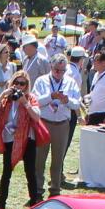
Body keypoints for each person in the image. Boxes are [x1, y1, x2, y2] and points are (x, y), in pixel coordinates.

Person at [0, 72, 42, 209]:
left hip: (27, 139)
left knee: (30, 172)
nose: (19, 86)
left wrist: (25, 103)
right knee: (6, 173)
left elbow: (37, 117)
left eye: (22, 83)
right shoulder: (6, 99)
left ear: (27, 85)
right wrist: (3, 95)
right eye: (16, 83)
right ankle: (1, 205)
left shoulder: (30, 98)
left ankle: (33, 203)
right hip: (10, 139)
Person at [34, 56, 80, 197]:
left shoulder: (71, 82)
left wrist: (67, 101)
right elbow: (35, 102)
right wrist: (50, 96)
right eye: (56, 70)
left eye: (62, 70)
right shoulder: (41, 81)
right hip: (44, 122)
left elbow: (77, 104)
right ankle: (37, 189)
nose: (59, 73)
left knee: (58, 159)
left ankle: (55, 189)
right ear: (51, 67)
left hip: (62, 124)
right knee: (39, 159)